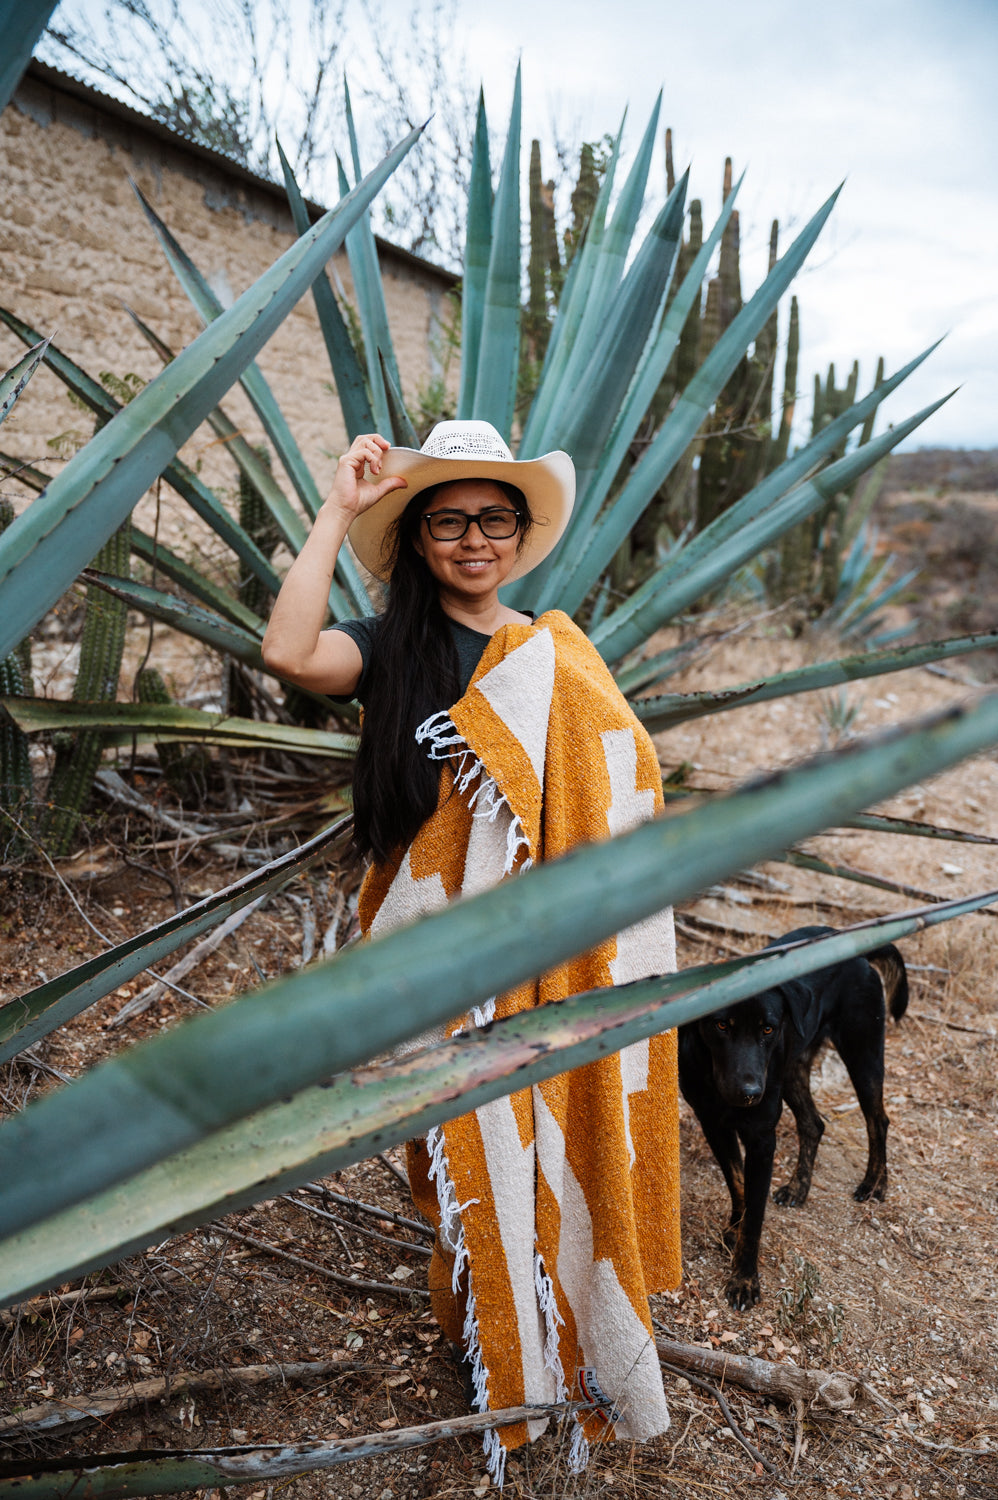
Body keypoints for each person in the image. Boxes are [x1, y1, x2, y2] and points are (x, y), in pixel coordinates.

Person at [263, 420, 681, 1483]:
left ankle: (547, 1355)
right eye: (446, 521)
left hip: (541, 953)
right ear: (417, 539)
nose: (471, 540)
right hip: (430, 951)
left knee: (541, 1138)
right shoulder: (385, 648)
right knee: (452, 1149)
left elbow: (616, 790)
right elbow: (285, 652)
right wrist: (337, 510)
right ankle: (494, 1326)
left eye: (492, 519)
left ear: (516, 532)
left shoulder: (553, 653)